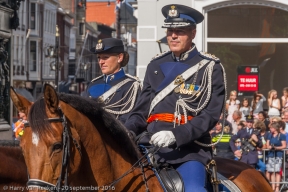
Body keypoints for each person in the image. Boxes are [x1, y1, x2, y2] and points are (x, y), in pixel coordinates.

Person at [124, 4, 225, 191]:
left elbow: (210, 115)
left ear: (193, 33)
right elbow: (140, 110)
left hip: (188, 152)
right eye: (170, 30)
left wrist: (175, 135)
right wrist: (127, 130)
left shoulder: (209, 67)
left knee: (194, 190)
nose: (173, 36)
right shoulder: (155, 64)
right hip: (149, 148)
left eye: (180, 31)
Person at [84, 38, 142, 124]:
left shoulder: (131, 86)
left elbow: (131, 119)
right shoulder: (93, 84)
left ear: (119, 57)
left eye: (105, 57)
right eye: (99, 58)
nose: (101, 62)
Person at [266, 122, 286, 192]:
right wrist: (269, 147)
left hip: (278, 155)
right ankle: (272, 187)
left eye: (271, 128)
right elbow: (267, 145)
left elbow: (284, 145)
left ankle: (277, 187)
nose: (270, 129)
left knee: (277, 171)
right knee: (271, 171)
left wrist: (276, 148)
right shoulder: (270, 135)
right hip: (271, 155)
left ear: (275, 128)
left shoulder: (281, 135)